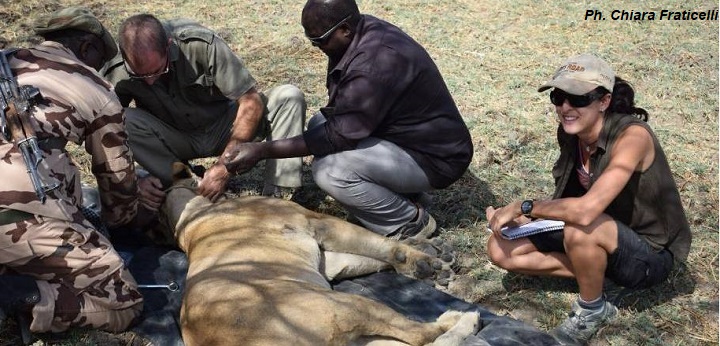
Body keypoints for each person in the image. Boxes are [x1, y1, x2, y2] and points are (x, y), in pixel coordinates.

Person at [485, 53, 692, 345]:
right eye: (558, 97)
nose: (565, 107)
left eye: (578, 99)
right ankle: (597, 275)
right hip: (601, 230)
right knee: (500, 247)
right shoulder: (573, 133)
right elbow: (575, 200)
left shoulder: (633, 137)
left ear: (604, 102)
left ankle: (592, 309)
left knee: (580, 226)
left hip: (650, 254)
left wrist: (525, 207)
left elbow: (584, 211)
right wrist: (526, 220)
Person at [224, 0, 473, 240]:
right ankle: (404, 195)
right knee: (318, 123)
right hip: (404, 139)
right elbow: (338, 121)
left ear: (344, 29)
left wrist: (262, 150)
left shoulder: (374, 64)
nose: (315, 46)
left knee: (330, 171)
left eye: (319, 40)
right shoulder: (361, 31)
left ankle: (408, 222)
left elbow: (338, 135)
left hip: (435, 159)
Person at [0, 6, 149, 337]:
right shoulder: (95, 87)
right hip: (14, 218)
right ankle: (18, 296)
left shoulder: (7, 60)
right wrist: (125, 223)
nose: (98, 68)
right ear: (87, 48)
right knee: (124, 303)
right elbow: (118, 185)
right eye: (100, 59)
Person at [102, 14, 306, 204]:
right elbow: (102, 131)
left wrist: (225, 167)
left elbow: (250, 101)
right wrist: (132, 181)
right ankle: (187, 183)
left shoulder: (200, 45)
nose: (150, 81)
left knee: (288, 97)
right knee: (120, 120)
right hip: (173, 136)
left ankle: (279, 196)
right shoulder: (116, 68)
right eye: (139, 76)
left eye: (157, 71)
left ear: (169, 46)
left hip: (224, 127)